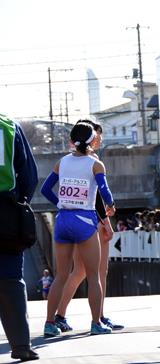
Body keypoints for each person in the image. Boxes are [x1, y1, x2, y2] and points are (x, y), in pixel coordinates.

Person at [40, 122, 115, 336]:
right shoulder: (95, 164)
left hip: (63, 219)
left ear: (72, 140)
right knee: (93, 275)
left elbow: (45, 189)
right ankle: (96, 323)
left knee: (61, 275)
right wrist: (110, 206)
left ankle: (49, 323)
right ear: (92, 140)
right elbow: (105, 191)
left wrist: (61, 203)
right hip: (85, 220)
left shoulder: (61, 162)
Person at [0, 114, 39, 361]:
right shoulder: (8, 126)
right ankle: (21, 346)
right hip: (5, 213)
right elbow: (29, 176)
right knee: (11, 281)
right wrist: (18, 203)